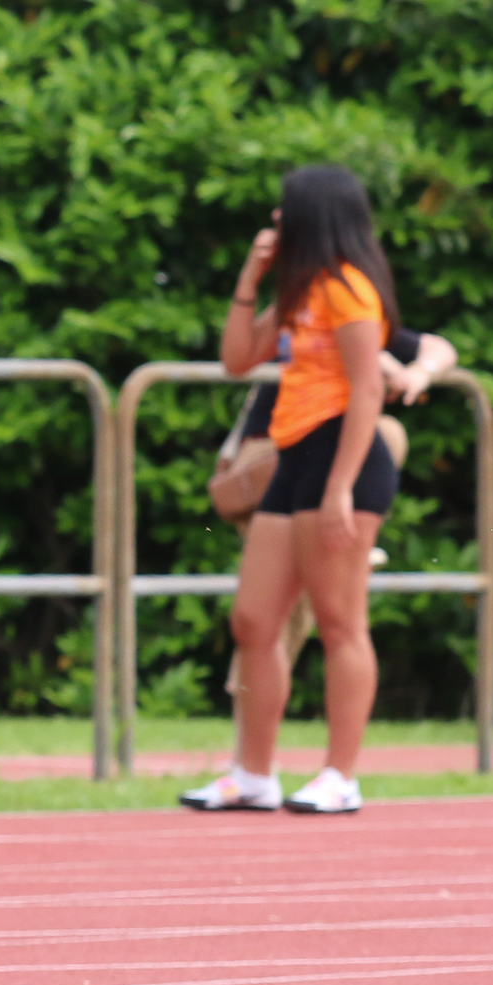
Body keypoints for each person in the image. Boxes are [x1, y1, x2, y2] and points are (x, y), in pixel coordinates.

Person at [182, 164, 404, 816]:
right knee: (253, 619)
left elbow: (368, 389)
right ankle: (253, 774)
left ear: (312, 215)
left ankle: (341, 775)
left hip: (344, 462)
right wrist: (250, 279)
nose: (276, 220)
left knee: (339, 621)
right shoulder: (301, 288)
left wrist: (340, 489)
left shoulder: (348, 287)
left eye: (284, 210)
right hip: (294, 458)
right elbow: (237, 359)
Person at [206, 316, 456, 746]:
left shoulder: (358, 313)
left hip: (324, 463)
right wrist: (381, 362)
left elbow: (440, 348)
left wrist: (420, 371)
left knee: (297, 611)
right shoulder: (310, 314)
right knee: (270, 613)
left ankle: (267, 748)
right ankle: (251, 741)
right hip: (276, 459)